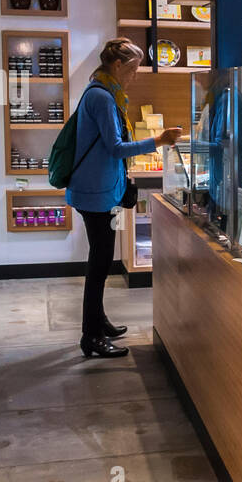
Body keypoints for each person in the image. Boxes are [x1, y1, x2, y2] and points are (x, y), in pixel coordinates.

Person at [67, 38, 182, 358]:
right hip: (95, 192)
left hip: (97, 188)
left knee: (100, 259)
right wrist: (158, 140)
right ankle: (91, 336)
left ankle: (98, 320)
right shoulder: (102, 98)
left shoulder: (100, 91)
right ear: (116, 65)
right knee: (99, 263)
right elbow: (115, 148)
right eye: (132, 69)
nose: (135, 75)